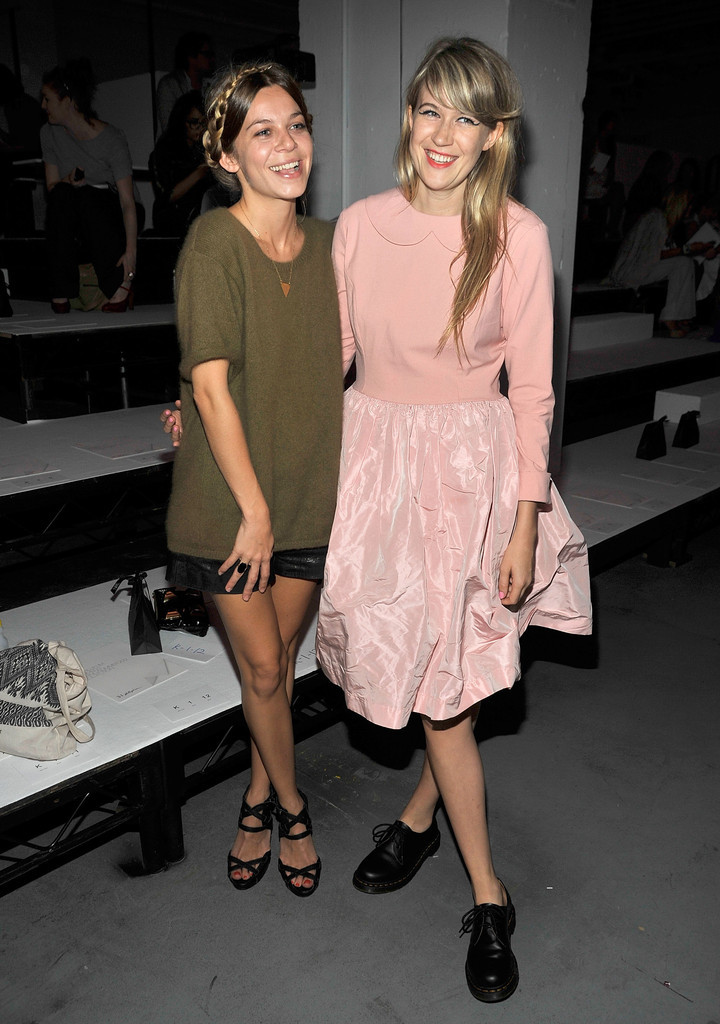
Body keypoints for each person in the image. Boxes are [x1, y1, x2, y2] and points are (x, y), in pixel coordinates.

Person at [315, 38, 592, 1003]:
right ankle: (418, 820)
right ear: (410, 116)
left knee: (442, 696)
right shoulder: (360, 225)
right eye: (430, 109)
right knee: (442, 685)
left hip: (472, 481)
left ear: (493, 136)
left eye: (465, 117)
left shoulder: (519, 237)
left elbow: (534, 393)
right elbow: (330, 361)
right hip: (377, 476)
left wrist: (524, 521)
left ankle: (488, 893)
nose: (443, 133)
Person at [164, 62, 344, 897]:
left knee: (275, 665)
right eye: (262, 131)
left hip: (311, 489)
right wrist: (256, 514)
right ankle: (291, 811)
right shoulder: (213, 241)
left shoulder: (336, 246)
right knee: (268, 670)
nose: (288, 144)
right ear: (227, 156)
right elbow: (210, 384)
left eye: (296, 125)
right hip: (234, 507)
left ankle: (253, 793)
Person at [40, 59, 137, 313]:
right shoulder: (49, 134)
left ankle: (120, 284)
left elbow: (127, 202)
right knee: (62, 193)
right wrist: (68, 180)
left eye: (47, 99)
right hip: (76, 207)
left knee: (88, 197)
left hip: (113, 208)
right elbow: (52, 187)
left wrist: (131, 253)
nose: (43, 106)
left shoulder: (111, 139)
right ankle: (61, 289)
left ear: (68, 101)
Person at [149, 90, 209, 239]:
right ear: (181, 121)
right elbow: (167, 196)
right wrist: (199, 172)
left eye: (203, 123)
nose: (199, 128)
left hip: (202, 223)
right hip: (172, 225)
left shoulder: (204, 149)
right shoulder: (164, 152)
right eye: (194, 122)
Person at [156, 32, 214, 137]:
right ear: (191, 56)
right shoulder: (170, 85)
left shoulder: (209, 87)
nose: (211, 59)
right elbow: (170, 128)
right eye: (206, 54)